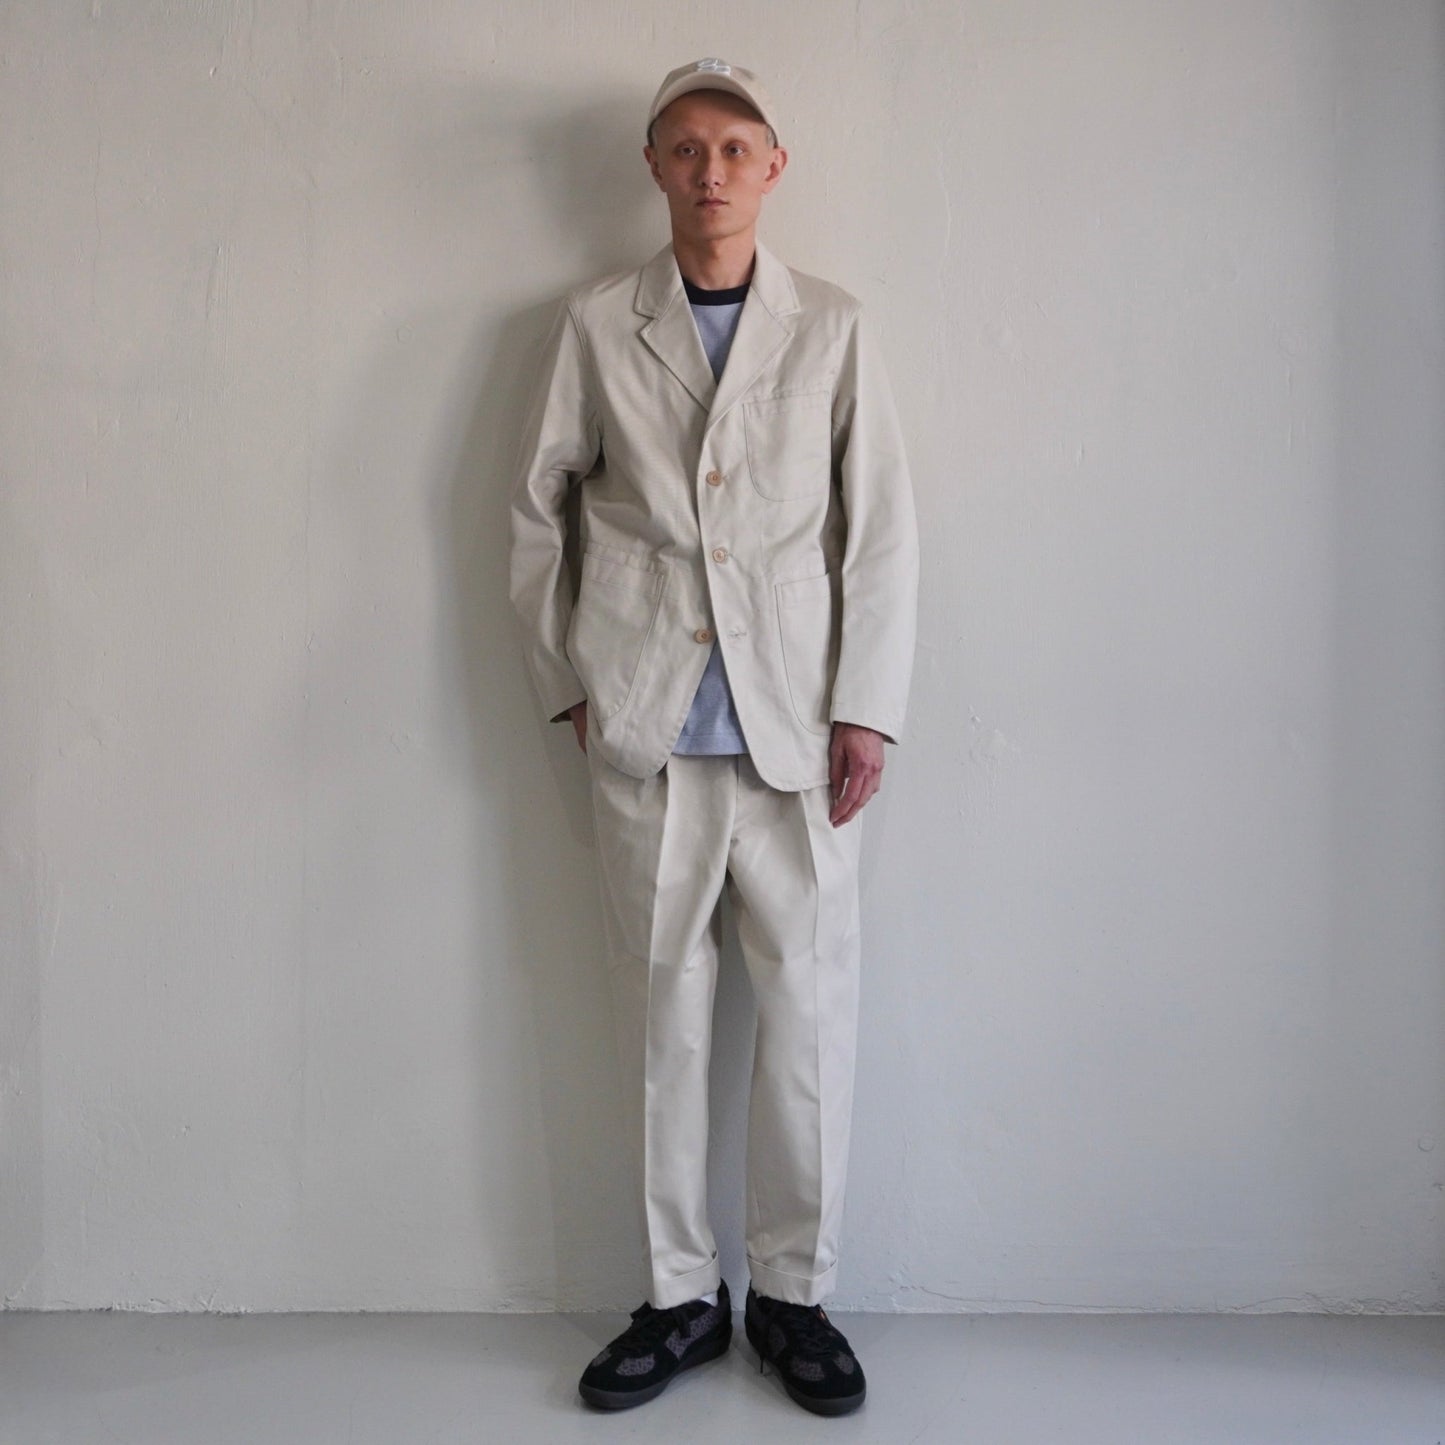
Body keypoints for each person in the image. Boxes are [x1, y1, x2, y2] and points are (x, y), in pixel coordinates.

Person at [509, 57, 919, 1417]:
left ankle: (793, 1295)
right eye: (685, 147)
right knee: (660, 1025)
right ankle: (681, 1295)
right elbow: (536, 507)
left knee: (808, 1019)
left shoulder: (832, 327)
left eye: (736, 147)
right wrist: (567, 678)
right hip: (645, 728)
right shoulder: (595, 324)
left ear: (773, 167)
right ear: (654, 166)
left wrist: (867, 706)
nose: (710, 171)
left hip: (797, 731)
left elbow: (880, 531)